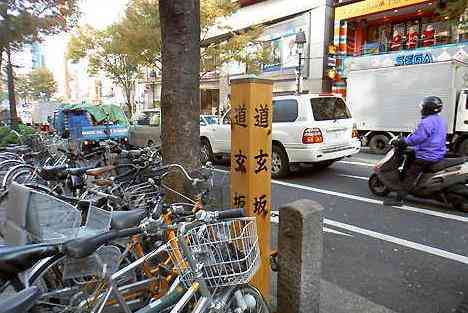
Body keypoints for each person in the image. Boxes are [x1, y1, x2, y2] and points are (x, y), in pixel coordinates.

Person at [383, 96, 447, 206]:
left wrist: (402, 141)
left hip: (427, 155)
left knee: (410, 175)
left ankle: (398, 199)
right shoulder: (440, 120)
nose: (421, 109)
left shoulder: (426, 122)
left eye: (422, 107)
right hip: (438, 153)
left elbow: (417, 139)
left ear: (427, 108)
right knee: (411, 155)